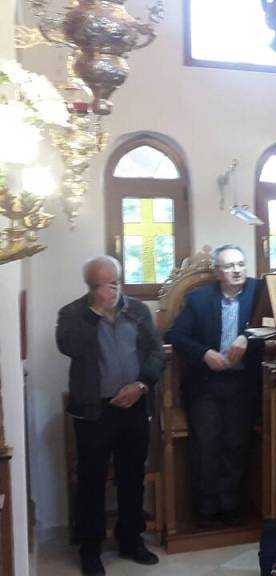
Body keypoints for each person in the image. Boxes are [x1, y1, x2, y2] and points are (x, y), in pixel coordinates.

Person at [57, 256, 162, 575]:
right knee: (91, 481)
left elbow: (155, 352)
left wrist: (141, 385)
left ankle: (131, 539)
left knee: (132, 476)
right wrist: (96, 312)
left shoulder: (138, 310)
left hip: (134, 405)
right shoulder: (72, 313)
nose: (110, 291)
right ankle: (90, 549)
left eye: (114, 283)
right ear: (90, 287)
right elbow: (69, 346)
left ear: (121, 280)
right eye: (101, 285)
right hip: (94, 411)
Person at [164, 244, 264, 529]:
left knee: (236, 444)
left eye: (241, 264)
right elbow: (175, 335)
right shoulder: (199, 299)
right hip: (206, 384)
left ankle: (229, 504)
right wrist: (205, 354)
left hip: (243, 383)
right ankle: (206, 507)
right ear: (218, 272)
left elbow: (274, 324)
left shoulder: (259, 293)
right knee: (207, 445)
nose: (237, 271)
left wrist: (247, 336)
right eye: (229, 266)